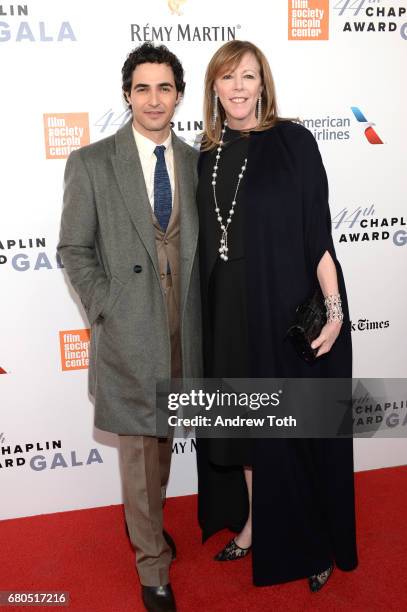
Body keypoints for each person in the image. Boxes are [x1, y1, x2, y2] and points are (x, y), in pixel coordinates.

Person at [196, 40, 358, 591]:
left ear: (263, 83)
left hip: (281, 309)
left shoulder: (294, 142)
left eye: (248, 76)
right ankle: (253, 522)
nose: (238, 87)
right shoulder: (204, 154)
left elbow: (318, 236)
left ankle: (314, 539)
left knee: (293, 432)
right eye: (227, 78)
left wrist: (334, 311)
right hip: (227, 314)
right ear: (214, 88)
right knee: (245, 428)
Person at [58, 42, 201, 612]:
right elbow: (73, 247)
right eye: (142, 88)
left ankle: (144, 521)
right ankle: (152, 566)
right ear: (126, 94)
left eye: (165, 87)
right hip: (127, 329)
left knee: (162, 441)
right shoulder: (92, 162)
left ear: (180, 96)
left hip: (184, 330)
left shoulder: (197, 162)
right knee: (140, 447)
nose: (153, 99)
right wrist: (105, 306)